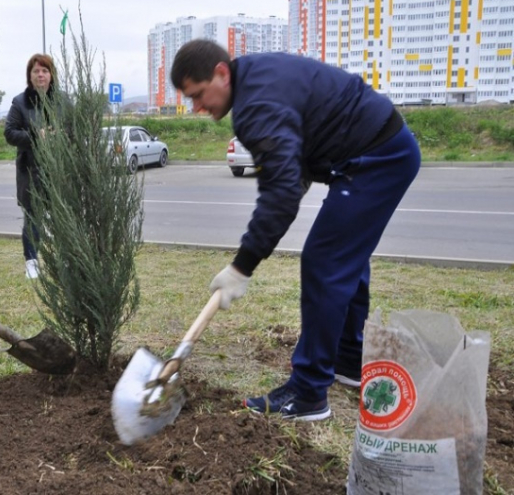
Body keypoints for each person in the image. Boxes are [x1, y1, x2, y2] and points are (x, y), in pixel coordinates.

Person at [171, 39, 420, 421]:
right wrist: (298, 172)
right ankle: (348, 360)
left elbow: (281, 195)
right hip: (382, 147)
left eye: (200, 95)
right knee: (345, 259)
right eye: (191, 100)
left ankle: (307, 395)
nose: (198, 108)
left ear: (222, 73)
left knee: (325, 262)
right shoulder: (255, 77)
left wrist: (242, 267)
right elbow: (298, 139)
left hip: (377, 157)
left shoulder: (254, 107)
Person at [4, 53, 59, 279]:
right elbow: (10, 133)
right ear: (30, 76)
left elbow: (76, 129)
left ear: (51, 75)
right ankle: (32, 262)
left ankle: (64, 260)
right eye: (35, 71)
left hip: (59, 172)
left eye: (44, 71)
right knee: (33, 219)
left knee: (61, 218)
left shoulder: (63, 101)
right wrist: (37, 135)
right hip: (31, 172)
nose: (40, 75)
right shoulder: (20, 103)